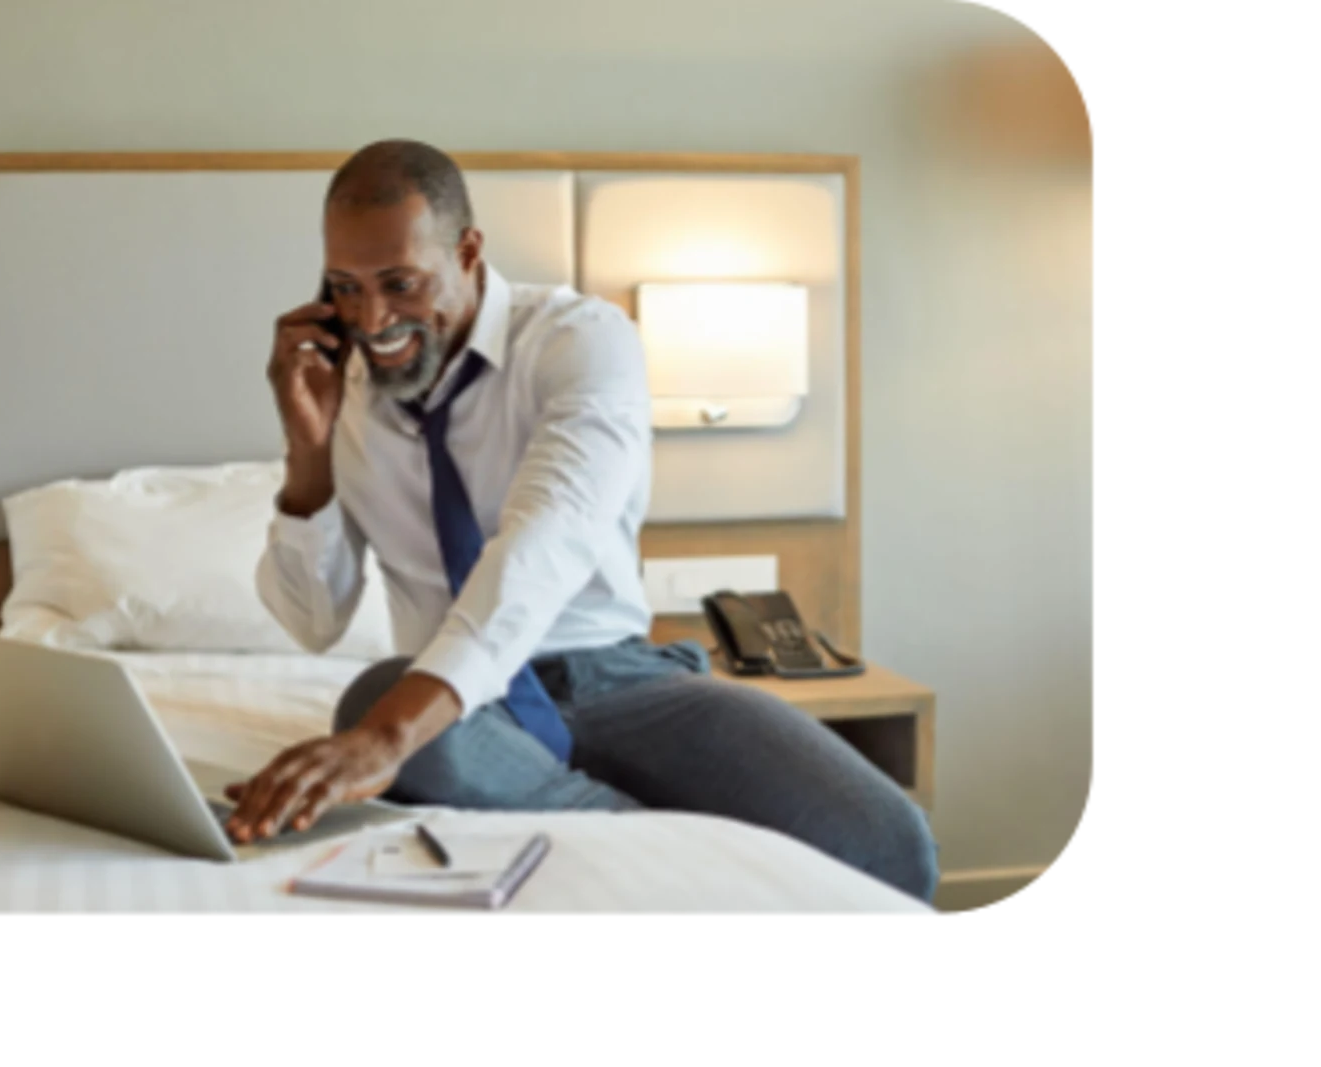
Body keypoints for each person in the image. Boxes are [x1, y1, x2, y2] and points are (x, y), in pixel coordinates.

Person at [222, 139, 938, 903]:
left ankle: (617, 837)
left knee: (884, 840)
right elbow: (312, 623)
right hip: (461, 718)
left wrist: (386, 738)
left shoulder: (580, 342)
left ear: (467, 251)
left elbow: (538, 550)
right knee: (373, 690)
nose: (372, 318)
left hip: (622, 684)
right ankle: (689, 868)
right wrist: (308, 450)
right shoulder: (346, 386)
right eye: (346, 287)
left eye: (401, 283)